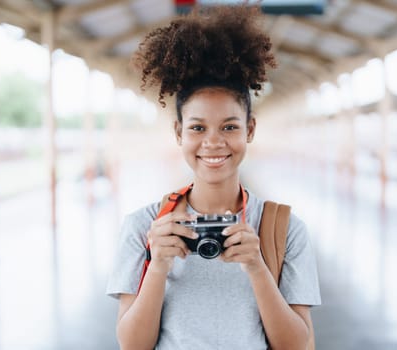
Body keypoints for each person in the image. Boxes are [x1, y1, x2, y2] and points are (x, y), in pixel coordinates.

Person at [106, 4, 321, 350]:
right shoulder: (145, 227)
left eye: (229, 126)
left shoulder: (282, 228)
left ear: (250, 129)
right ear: (179, 133)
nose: (213, 142)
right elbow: (132, 345)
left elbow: (298, 345)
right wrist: (158, 264)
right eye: (197, 128)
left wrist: (256, 266)